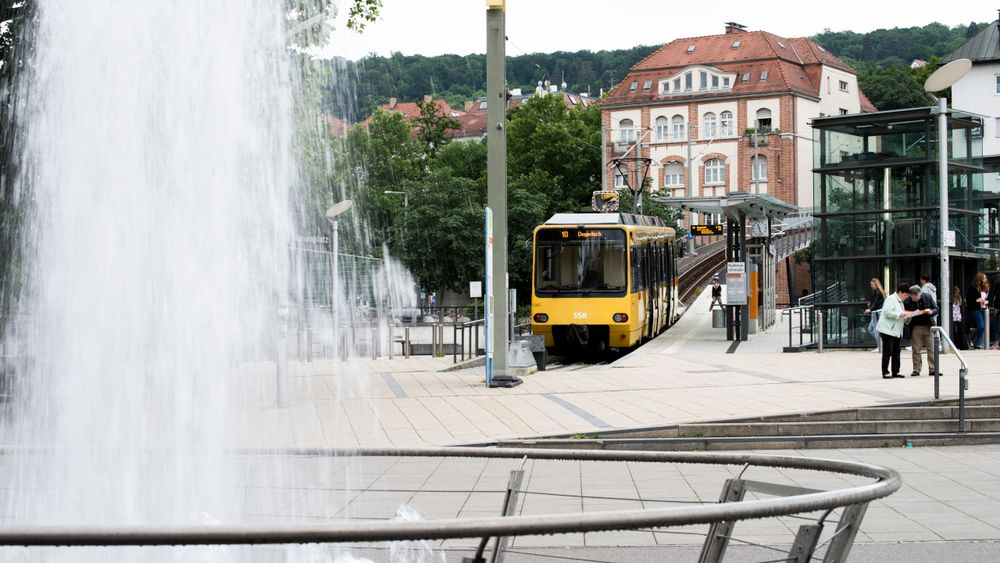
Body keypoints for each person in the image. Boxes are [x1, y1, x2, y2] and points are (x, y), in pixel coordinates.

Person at [877, 283, 925, 379]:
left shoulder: (900, 302)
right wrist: (900, 315)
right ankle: (885, 372)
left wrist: (907, 318)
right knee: (888, 351)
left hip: (896, 331)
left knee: (896, 351)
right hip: (888, 330)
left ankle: (895, 371)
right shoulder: (891, 299)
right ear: (900, 292)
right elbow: (887, 312)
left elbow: (900, 314)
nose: (907, 297)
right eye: (906, 295)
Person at [904, 285, 938, 377]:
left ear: (920, 294)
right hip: (916, 326)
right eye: (914, 297)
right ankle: (916, 369)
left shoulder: (927, 297)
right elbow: (905, 313)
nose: (916, 299)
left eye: (917, 296)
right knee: (916, 349)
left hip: (928, 325)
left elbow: (936, 308)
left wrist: (931, 311)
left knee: (931, 348)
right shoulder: (907, 301)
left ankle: (933, 369)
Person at [966, 273, 989, 349]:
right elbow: (969, 300)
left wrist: (986, 301)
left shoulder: (985, 288)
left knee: (982, 326)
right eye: (983, 278)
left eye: (985, 278)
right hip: (974, 309)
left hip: (983, 308)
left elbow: (986, 298)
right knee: (981, 326)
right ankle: (970, 338)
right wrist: (977, 300)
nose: (985, 280)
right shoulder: (972, 288)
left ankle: (979, 344)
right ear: (979, 279)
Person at [864, 278, 886, 352]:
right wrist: (870, 306)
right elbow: (874, 302)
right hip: (875, 312)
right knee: (870, 329)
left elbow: (876, 303)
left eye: (872, 284)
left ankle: (880, 346)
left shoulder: (878, 292)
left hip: (877, 312)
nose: (871, 286)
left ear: (876, 284)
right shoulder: (876, 292)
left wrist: (870, 309)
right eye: (871, 284)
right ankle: (881, 344)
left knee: (876, 330)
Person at [951, 286, 967, 350]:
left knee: (954, 331)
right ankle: (958, 344)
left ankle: (956, 343)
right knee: (957, 331)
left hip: (953, 317)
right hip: (957, 316)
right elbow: (960, 304)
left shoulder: (953, 298)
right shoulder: (958, 298)